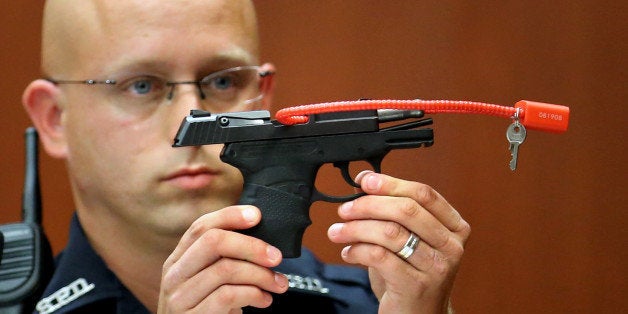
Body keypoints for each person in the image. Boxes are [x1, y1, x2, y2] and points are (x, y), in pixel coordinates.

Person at [22, 0, 470, 313]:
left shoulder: (373, 304)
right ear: (54, 119)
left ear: (261, 95)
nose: (188, 120)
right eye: (141, 86)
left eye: (222, 82)